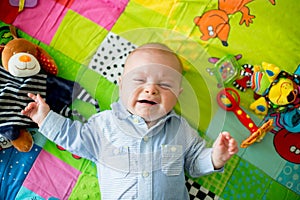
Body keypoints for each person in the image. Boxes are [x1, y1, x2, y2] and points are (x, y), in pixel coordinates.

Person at [22, 43, 238, 199]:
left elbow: (194, 163)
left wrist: (215, 157)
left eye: (165, 84)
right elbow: (73, 136)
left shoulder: (180, 129)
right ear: (122, 85)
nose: (151, 89)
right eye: (139, 80)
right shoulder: (105, 124)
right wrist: (45, 118)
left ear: (178, 94)